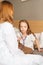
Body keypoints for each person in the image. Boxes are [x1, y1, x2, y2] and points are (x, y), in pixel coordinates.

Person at [0, 1, 43, 65]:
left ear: (28, 27)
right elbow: (14, 48)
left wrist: (39, 48)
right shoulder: (8, 26)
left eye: (25, 27)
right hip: (8, 58)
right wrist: (18, 40)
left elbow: (36, 40)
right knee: (40, 59)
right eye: (21, 27)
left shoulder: (30, 34)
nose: (22, 28)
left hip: (24, 49)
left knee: (30, 51)